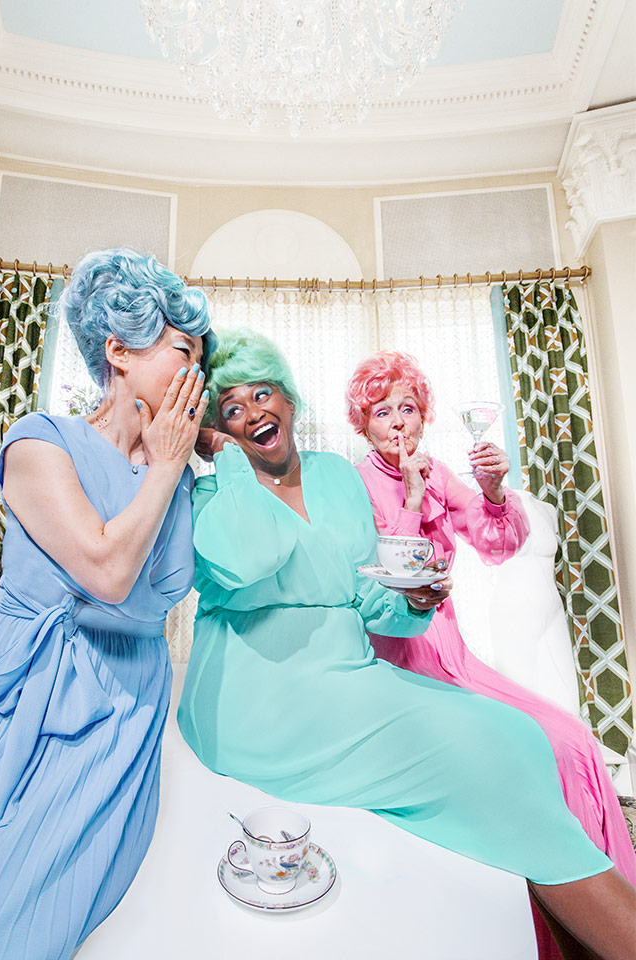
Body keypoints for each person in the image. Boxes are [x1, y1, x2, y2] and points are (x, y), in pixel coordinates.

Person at [178, 328, 635, 960]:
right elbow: (255, 555)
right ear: (214, 429)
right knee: (492, 757)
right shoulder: (211, 494)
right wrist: (227, 459)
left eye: (264, 393)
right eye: (232, 409)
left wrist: (415, 602)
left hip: (351, 675)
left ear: (288, 398)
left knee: (522, 737)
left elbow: (368, 601)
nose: (255, 412)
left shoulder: (337, 476)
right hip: (259, 705)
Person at [0, 249, 215, 960]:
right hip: (20, 703)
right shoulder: (39, 442)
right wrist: (166, 466)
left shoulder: (176, 478)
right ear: (118, 350)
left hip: (128, 706)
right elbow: (108, 573)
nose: (194, 375)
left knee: (49, 911)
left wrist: (181, 467)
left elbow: (174, 595)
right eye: (182, 351)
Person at [346, 349, 636, 959]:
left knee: (571, 740)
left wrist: (492, 487)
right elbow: (381, 572)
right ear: (363, 423)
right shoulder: (353, 481)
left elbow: (498, 544)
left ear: (423, 417)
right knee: (525, 749)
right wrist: (411, 495)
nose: (397, 422)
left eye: (407, 408)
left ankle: (592, 918)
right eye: (381, 412)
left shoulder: (440, 469)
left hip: (453, 655)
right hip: (395, 661)